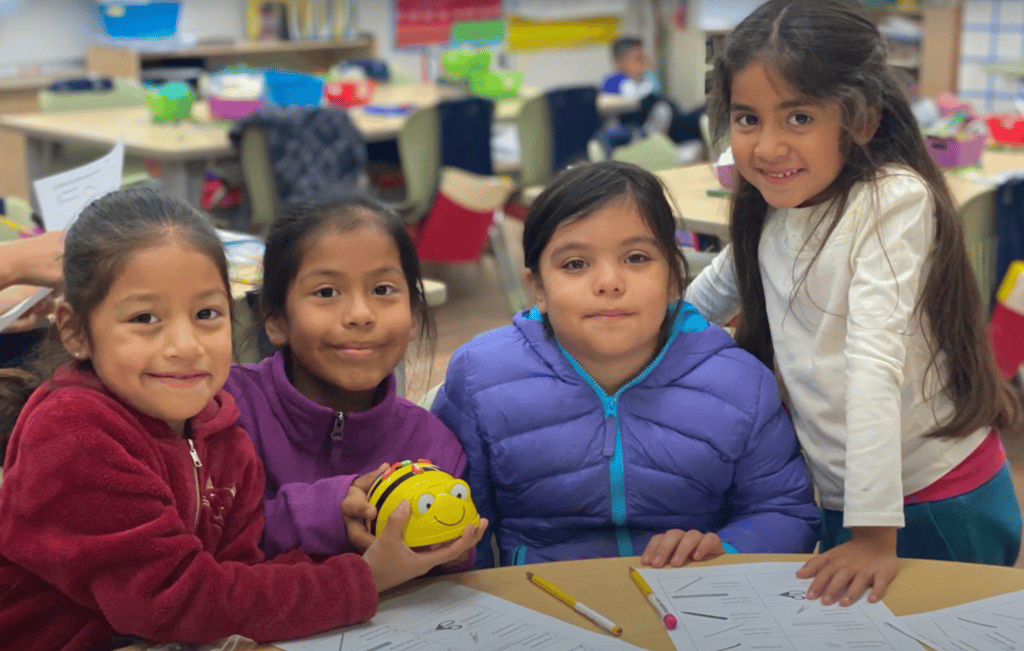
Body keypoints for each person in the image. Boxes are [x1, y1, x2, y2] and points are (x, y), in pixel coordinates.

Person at [0, 188, 485, 651]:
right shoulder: (75, 434)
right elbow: (178, 600)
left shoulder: (217, 428)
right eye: (145, 319)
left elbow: (244, 569)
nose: (186, 345)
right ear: (73, 330)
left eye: (207, 313)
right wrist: (366, 577)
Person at [687, 0, 1023, 609]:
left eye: (798, 117)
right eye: (746, 118)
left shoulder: (891, 201)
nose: (766, 146)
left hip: (931, 498)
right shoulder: (773, 205)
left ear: (863, 121)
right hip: (849, 496)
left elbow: (873, 365)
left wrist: (872, 532)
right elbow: (704, 298)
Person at [432, 161, 820, 569]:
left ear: (673, 278)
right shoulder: (481, 377)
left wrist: (726, 549)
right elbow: (455, 523)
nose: (609, 282)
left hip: (691, 598)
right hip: (540, 600)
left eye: (636, 257)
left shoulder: (739, 383)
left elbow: (784, 512)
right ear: (539, 288)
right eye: (575, 264)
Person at [224, 196, 472, 562]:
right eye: (327, 292)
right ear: (275, 319)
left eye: (383, 290)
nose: (360, 314)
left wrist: (446, 554)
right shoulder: (226, 414)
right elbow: (212, 547)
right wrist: (328, 512)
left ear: (414, 314)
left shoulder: (433, 445)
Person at [599, 37, 705, 153]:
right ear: (619, 62)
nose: (643, 63)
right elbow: (603, 103)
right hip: (647, 129)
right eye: (638, 59)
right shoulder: (614, 81)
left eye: (643, 58)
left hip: (670, 123)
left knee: (703, 112)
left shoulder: (648, 78)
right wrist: (639, 102)